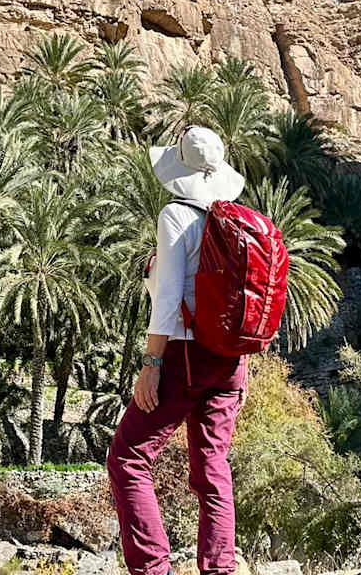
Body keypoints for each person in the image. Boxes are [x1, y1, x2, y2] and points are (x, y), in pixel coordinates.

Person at [107, 126, 247, 575]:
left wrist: (151, 364)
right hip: (229, 362)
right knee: (212, 469)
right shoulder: (236, 220)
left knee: (128, 459)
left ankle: (151, 570)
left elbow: (168, 297)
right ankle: (219, 569)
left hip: (185, 356)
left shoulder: (175, 215)